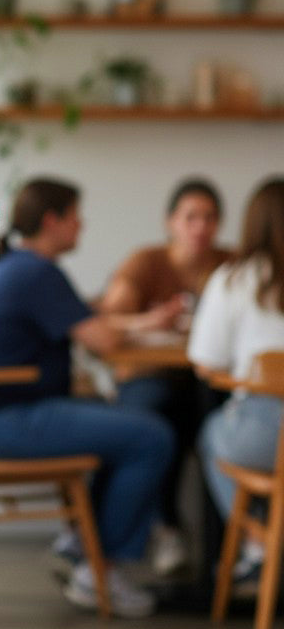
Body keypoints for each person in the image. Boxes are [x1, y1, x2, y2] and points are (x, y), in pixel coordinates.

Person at [0, 177, 179, 618]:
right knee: (151, 436)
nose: (82, 226)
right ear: (53, 221)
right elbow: (102, 338)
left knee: (124, 424)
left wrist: (146, 321)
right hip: (2, 420)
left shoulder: (18, 266)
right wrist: (148, 324)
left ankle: (85, 545)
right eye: (76, 217)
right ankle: (102, 567)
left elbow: (92, 322)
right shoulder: (37, 272)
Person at [97, 178, 234, 577]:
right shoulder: (146, 262)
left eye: (210, 218)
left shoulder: (230, 265)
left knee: (215, 413)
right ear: (171, 221)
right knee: (153, 416)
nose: (200, 227)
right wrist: (150, 320)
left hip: (203, 379)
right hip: (147, 374)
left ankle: (225, 548)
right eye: (191, 217)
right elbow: (106, 319)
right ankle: (167, 529)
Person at [190, 177, 284, 590]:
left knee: (211, 436)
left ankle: (257, 544)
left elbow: (205, 362)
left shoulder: (233, 280)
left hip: (263, 432)